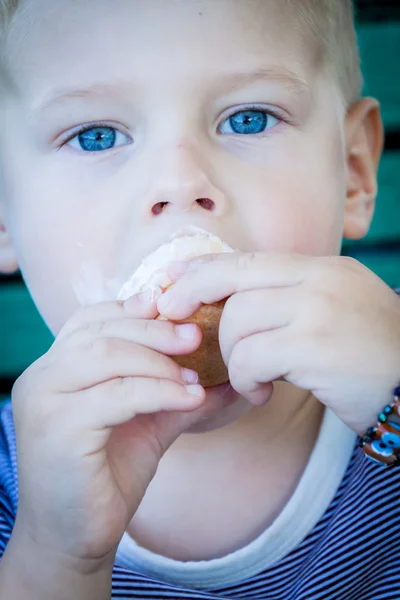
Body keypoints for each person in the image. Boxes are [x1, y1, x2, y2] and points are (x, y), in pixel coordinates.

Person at [0, 0, 399, 598]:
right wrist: (56, 559)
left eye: (249, 120)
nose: (180, 183)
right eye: (96, 135)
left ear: (353, 170)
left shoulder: (389, 356)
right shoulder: (20, 499)